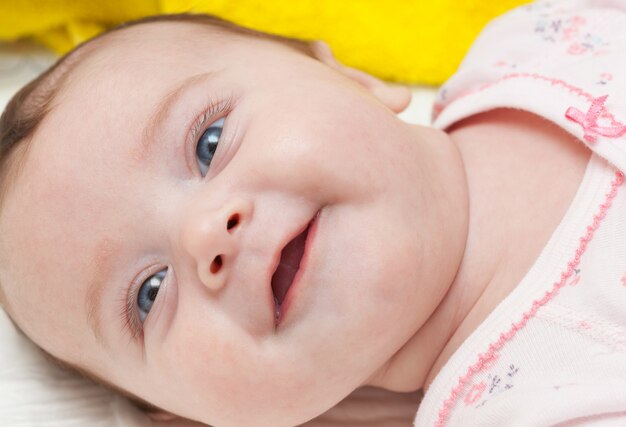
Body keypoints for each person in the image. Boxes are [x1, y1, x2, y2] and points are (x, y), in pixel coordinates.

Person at [1, 1, 625, 426]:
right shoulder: (526, 408)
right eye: (149, 293)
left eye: (209, 143)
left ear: (352, 78)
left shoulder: (535, 41)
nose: (202, 237)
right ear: (195, 417)